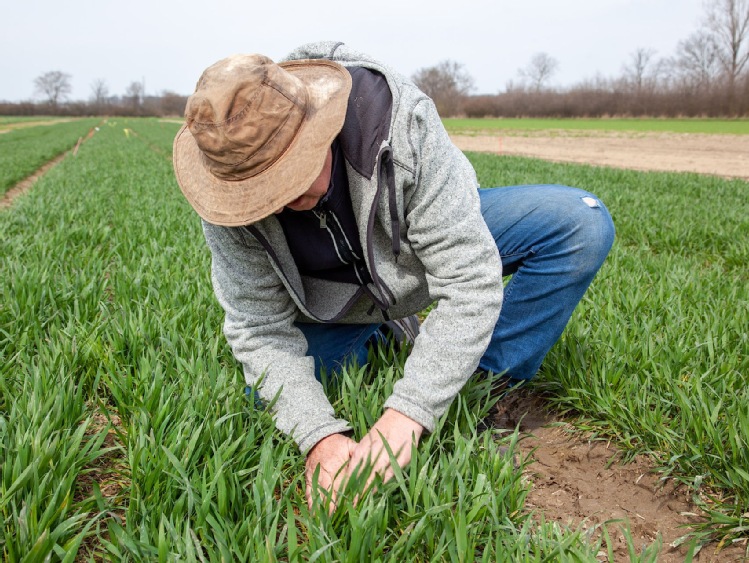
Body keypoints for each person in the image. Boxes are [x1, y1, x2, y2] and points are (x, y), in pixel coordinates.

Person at [172, 41, 615, 510]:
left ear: (321, 126)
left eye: (289, 174)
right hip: (335, 307)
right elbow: (258, 330)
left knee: (579, 224)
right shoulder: (226, 195)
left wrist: (408, 415)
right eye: (261, 192)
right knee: (263, 402)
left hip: (414, 254)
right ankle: (382, 332)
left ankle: (483, 383)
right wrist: (320, 437)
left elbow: (469, 281)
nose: (281, 201)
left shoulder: (396, 123)